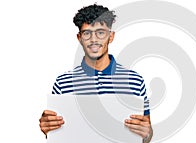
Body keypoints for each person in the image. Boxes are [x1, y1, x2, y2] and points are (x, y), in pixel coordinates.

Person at [39, 4, 153, 143]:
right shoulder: (63, 83)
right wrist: (48, 129)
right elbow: (58, 134)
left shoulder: (135, 81)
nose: (94, 39)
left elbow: (146, 133)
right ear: (79, 38)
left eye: (100, 32)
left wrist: (146, 134)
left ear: (111, 36)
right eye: (87, 33)